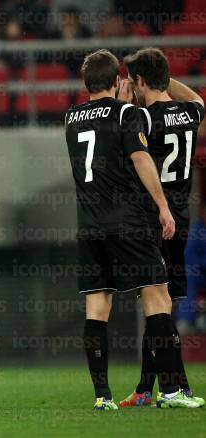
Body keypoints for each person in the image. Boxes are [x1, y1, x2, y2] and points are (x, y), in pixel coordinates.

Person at [64, 49, 198, 410]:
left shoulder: (71, 117)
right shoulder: (152, 113)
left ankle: (104, 395)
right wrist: (163, 206)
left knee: (100, 306)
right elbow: (138, 155)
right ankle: (169, 390)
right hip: (143, 219)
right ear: (116, 80)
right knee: (159, 300)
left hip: (92, 224)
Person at [117, 48, 205, 408]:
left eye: (134, 81)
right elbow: (197, 97)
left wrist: (126, 107)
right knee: (159, 304)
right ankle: (144, 388)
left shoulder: (143, 119)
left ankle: (173, 386)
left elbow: (130, 154)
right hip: (182, 217)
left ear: (138, 81)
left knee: (156, 304)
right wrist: (164, 79)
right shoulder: (190, 113)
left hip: (154, 215)